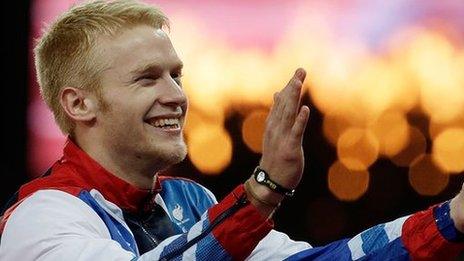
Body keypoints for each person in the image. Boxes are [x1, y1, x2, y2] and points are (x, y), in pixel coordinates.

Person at [0, 0, 463, 260]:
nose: (177, 96)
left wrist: (453, 218)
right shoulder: (41, 218)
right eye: (147, 77)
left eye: (175, 75)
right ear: (78, 103)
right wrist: (263, 191)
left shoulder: (194, 202)